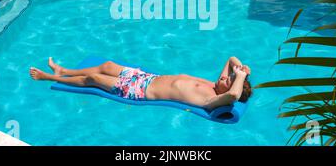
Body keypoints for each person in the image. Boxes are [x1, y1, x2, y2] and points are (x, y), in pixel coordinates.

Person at [30, 56, 252, 110]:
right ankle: (64, 70)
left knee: (95, 79)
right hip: (147, 77)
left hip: (139, 90)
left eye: (229, 79)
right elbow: (231, 58)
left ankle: (49, 77)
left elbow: (233, 95)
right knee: (106, 65)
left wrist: (239, 79)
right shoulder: (213, 84)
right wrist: (241, 69)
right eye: (228, 75)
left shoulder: (212, 99)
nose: (225, 76)